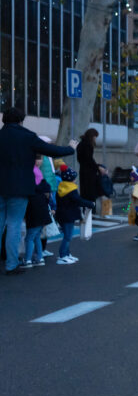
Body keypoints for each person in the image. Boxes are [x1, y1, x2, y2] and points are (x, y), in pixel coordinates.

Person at [0, 107, 75, 275]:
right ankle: (11, 264)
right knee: (13, 224)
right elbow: (52, 151)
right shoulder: (27, 136)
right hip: (19, 189)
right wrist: (70, 148)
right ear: (21, 120)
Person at [55, 166, 96, 265]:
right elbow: (78, 200)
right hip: (69, 216)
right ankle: (62, 256)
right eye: (74, 178)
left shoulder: (61, 187)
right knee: (68, 237)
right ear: (71, 179)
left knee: (67, 235)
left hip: (62, 215)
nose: (75, 180)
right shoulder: (71, 190)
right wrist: (90, 203)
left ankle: (67, 254)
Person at [22, 157, 53, 268]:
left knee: (29, 237)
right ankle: (39, 258)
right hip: (43, 215)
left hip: (34, 215)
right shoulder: (43, 188)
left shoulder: (31, 191)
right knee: (36, 237)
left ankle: (27, 260)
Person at [76, 128, 105, 203]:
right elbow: (89, 159)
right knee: (90, 194)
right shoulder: (88, 145)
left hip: (83, 171)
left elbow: (81, 159)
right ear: (92, 136)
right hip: (89, 173)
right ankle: (91, 212)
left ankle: (86, 211)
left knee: (84, 193)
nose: (95, 139)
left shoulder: (81, 144)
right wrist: (98, 168)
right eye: (95, 136)